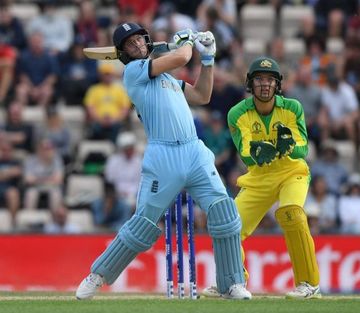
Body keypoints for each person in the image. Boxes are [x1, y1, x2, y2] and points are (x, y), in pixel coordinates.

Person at [75, 23, 251, 300]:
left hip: (195, 152)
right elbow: (181, 58)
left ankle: (232, 283)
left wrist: (208, 60)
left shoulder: (169, 79)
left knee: (224, 212)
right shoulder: (133, 73)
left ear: (147, 40)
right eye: (129, 45)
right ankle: (98, 275)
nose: (137, 46)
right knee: (142, 224)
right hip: (163, 157)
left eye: (139, 41)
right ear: (123, 54)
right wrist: (186, 42)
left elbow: (202, 96)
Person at [204, 56, 321, 299]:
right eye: (259, 80)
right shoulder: (237, 113)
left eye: (270, 80)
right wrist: (260, 152)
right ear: (250, 84)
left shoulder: (292, 107)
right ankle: (232, 282)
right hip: (259, 177)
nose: (265, 84)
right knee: (229, 227)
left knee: (292, 213)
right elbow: (246, 153)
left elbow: (303, 147)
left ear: (278, 85)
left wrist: (287, 148)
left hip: (292, 172)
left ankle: (309, 284)